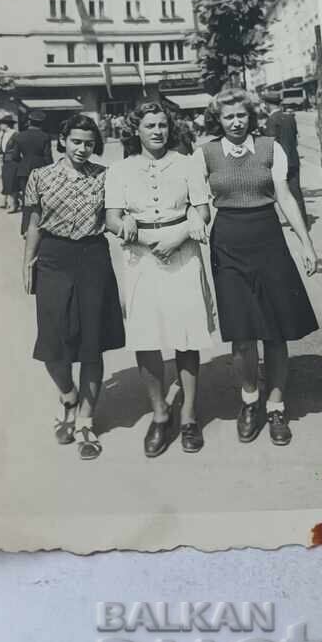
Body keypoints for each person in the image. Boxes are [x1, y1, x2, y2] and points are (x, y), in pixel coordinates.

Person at [194, 87, 318, 447]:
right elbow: (195, 197)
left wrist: (306, 243)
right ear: (218, 119)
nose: (235, 122)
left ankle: (276, 405)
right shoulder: (206, 154)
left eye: (241, 115)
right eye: (229, 116)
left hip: (268, 239)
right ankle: (250, 401)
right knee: (242, 332)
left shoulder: (269, 148)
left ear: (251, 117)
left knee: (276, 331)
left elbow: (284, 196)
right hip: (228, 242)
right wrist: (193, 219)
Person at [105, 101, 215, 457]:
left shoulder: (187, 164)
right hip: (141, 257)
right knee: (147, 337)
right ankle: (159, 413)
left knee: (185, 335)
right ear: (135, 130)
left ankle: (188, 416)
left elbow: (202, 209)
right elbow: (112, 217)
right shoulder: (119, 170)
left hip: (181, 252)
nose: (157, 131)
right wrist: (130, 229)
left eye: (162, 125)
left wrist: (180, 234)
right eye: (149, 125)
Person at [22, 115, 125, 460]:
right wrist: (27, 263)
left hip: (93, 258)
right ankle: (68, 395)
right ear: (63, 140)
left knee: (91, 343)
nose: (82, 149)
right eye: (76, 141)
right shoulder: (40, 177)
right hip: (53, 257)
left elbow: (115, 217)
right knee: (53, 342)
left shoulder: (105, 176)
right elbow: (34, 223)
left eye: (89, 143)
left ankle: (85, 419)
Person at [259, 88, 309, 225]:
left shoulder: (271, 120)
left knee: (278, 193)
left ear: (267, 105)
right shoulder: (289, 118)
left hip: (280, 162)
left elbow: (270, 142)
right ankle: (302, 221)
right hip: (293, 159)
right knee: (296, 192)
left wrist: (261, 131)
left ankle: (279, 221)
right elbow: (294, 138)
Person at [9, 109, 54, 234]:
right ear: (42, 123)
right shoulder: (45, 136)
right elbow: (48, 157)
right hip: (41, 170)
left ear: (29, 121)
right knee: (40, 200)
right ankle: (39, 228)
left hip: (23, 171)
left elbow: (15, 157)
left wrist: (24, 162)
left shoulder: (20, 136)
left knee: (26, 200)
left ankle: (25, 229)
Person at [0, 115, 19, 211]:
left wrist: (12, 156)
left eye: (2, 124)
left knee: (12, 182)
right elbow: (1, 147)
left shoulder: (15, 134)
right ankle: (11, 202)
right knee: (6, 182)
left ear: (7, 124)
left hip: (12, 160)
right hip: (4, 160)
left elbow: (16, 148)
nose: (0, 126)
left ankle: (13, 204)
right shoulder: (3, 134)